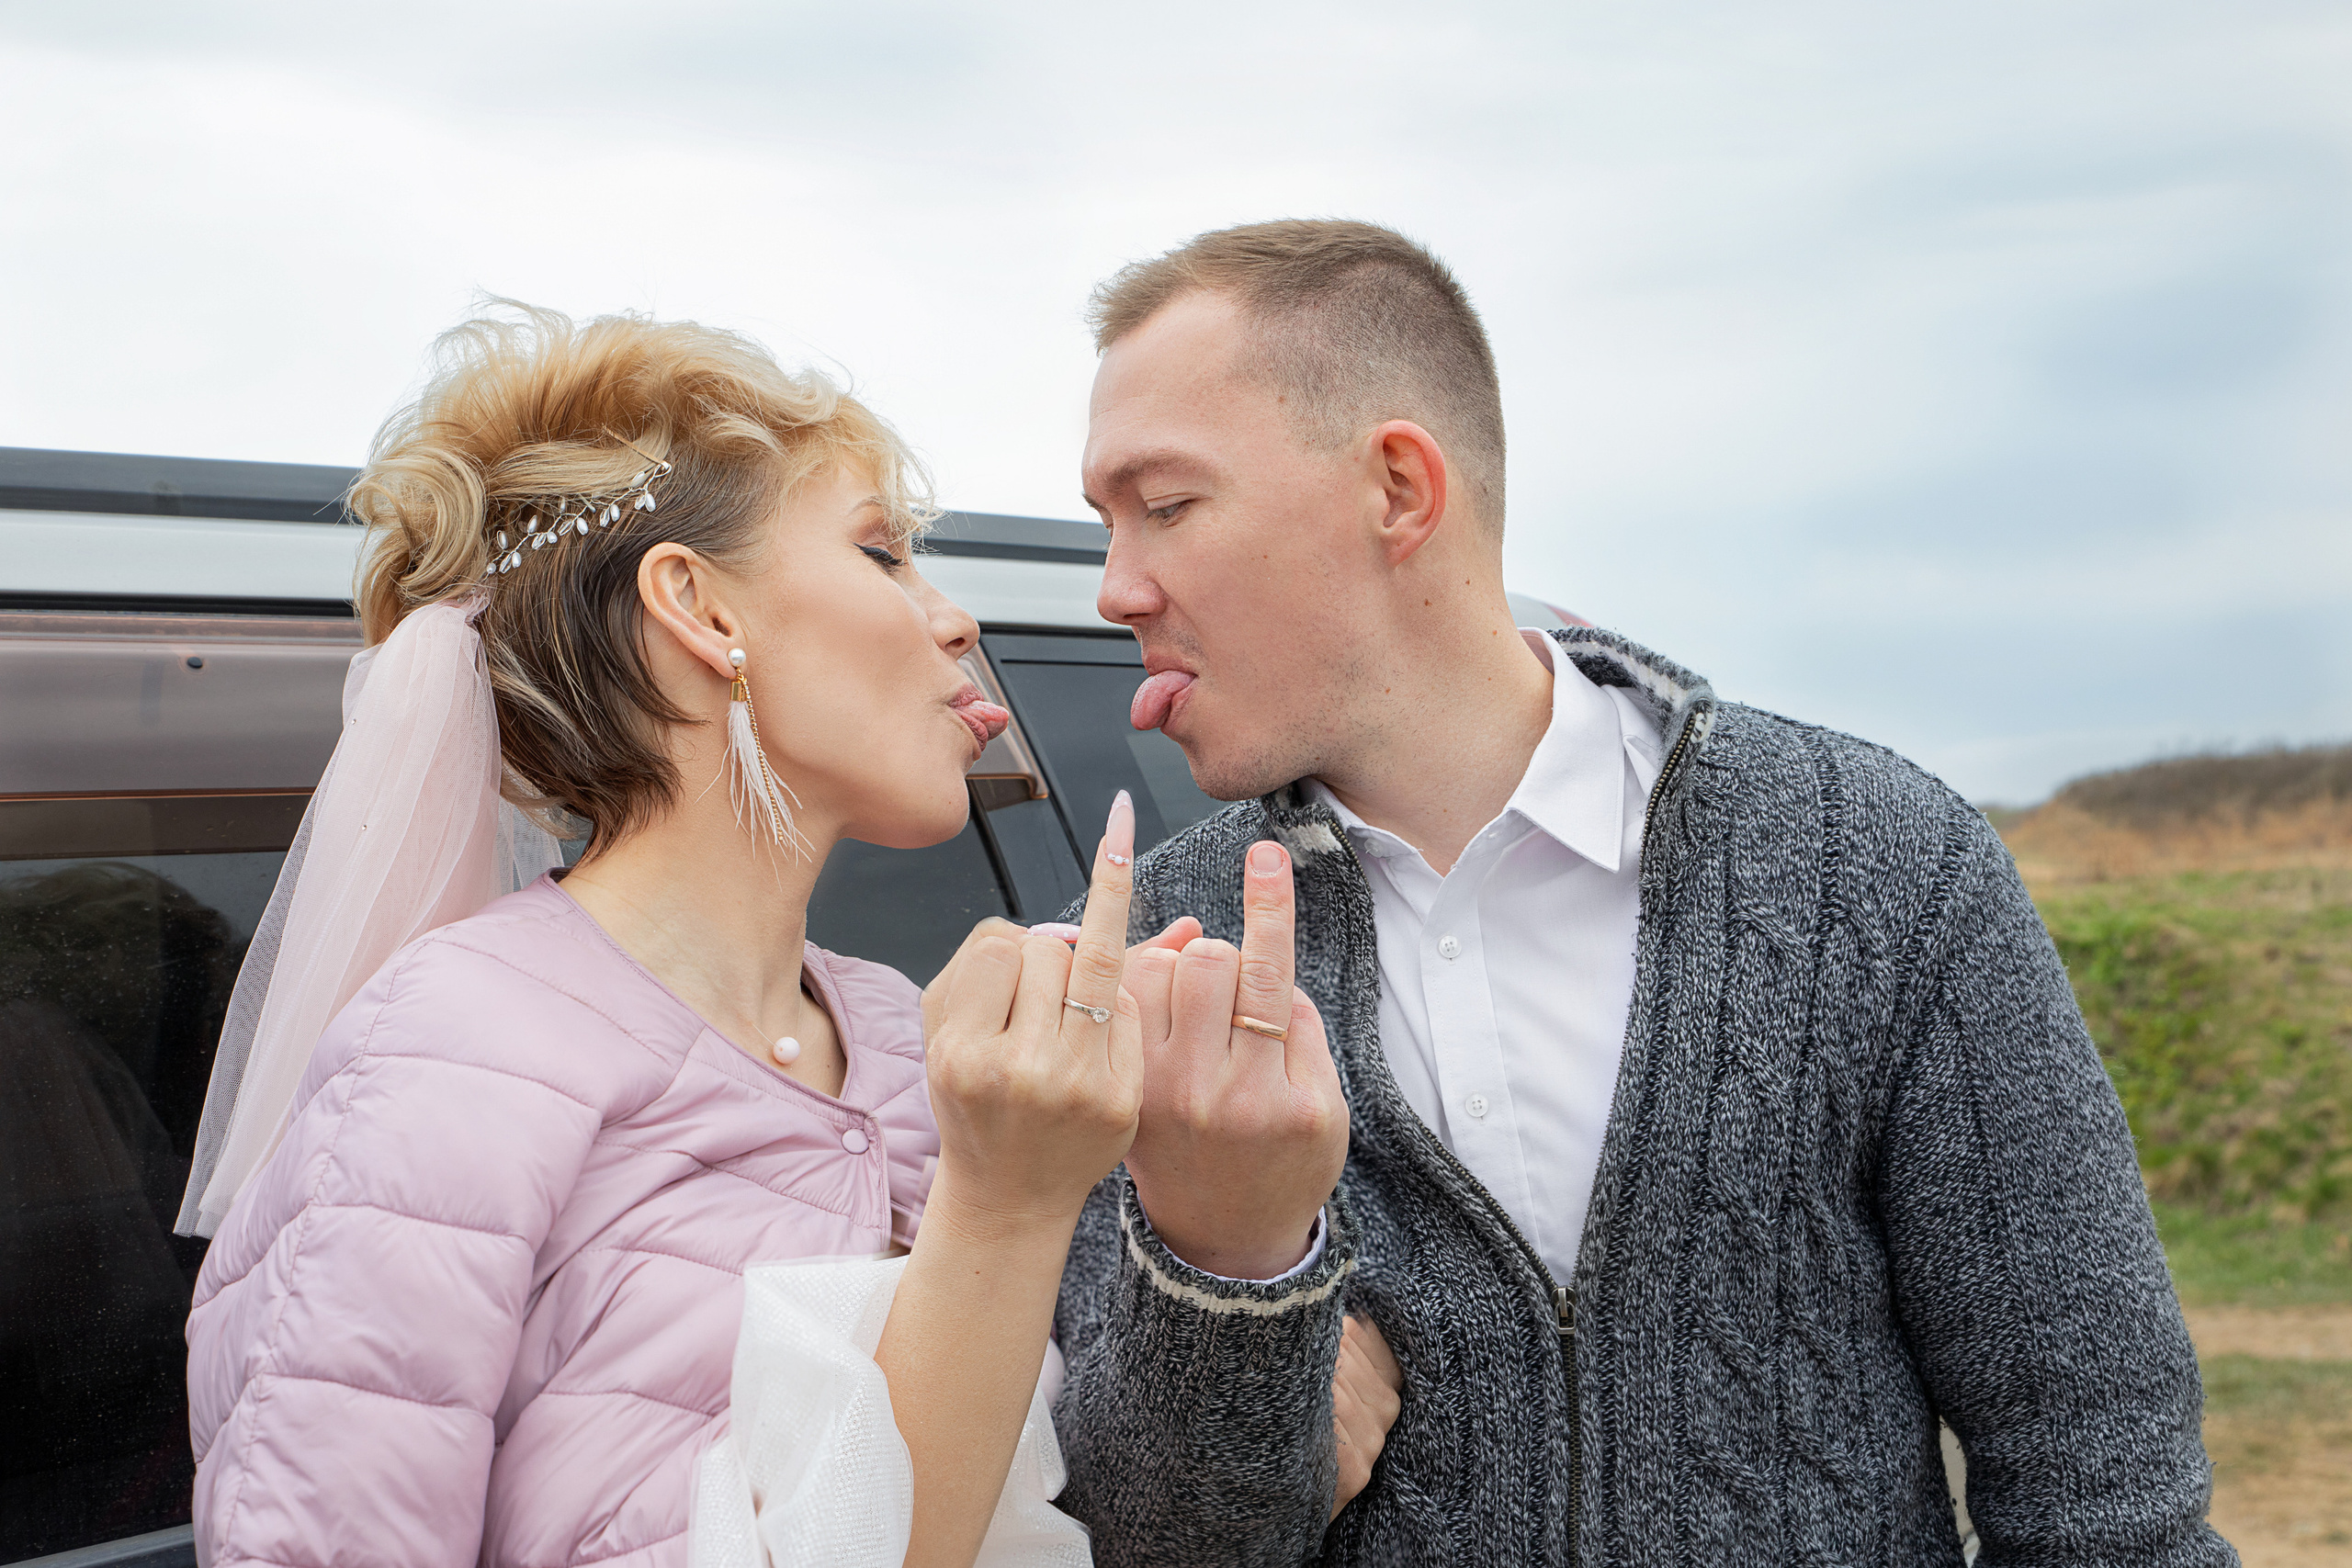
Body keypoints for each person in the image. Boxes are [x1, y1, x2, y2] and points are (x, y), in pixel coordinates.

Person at [1043, 220, 2235, 1566]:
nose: (1114, 587)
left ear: (1396, 489)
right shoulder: (1156, 953)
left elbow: (2103, 1493)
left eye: (1168, 506)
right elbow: (1162, 1548)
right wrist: (1232, 1271)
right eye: (1106, 523)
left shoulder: (1881, 867)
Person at [179, 304, 1396, 1568]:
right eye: (883, 553)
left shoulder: (897, 1029)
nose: (953, 619)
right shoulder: (445, 1053)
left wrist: (1265, 1385)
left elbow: (1035, 1498)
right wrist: (1007, 1198)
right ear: (698, 608)